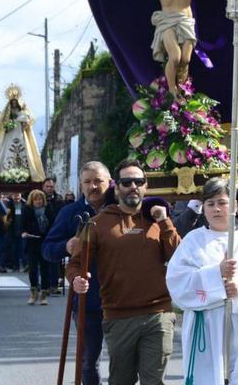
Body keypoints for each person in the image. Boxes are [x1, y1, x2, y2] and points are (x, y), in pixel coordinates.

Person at [69, 159, 181, 385]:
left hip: (158, 314)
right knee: (121, 381)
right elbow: (75, 264)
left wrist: (165, 221)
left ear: (145, 185)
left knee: (154, 381)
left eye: (138, 181)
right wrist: (76, 280)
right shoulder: (97, 224)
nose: (133, 187)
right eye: (127, 182)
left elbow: (178, 258)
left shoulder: (158, 219)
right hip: (119, 316)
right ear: (117, 187)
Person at [166, 178, 238, 384]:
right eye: (210, 204)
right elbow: (177, 282)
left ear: (233, 204)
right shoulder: (193, 241)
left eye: (222, 202)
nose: (216, 209)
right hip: (208, 327)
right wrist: (215, 274)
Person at [43, 161, 114, 385]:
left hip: (120, 298)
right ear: (81, 185)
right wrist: (66, 246)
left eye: (98, 181)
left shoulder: (121, 209)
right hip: (88, 299)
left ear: (109, 182)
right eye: (87, 182)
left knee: (123, 361)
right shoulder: (71, 212)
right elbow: (47, 249)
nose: (93, 186)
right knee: (88, 361)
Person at [0, 84, 45, 182]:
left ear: (18, 102)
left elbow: (27, 123)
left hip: (20, 134)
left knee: (24, 152)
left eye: (15, 102)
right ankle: (6, 172)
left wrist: (23, 119)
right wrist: (8, 125)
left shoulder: (22, 112)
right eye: (12, 102)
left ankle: (27, 173)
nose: (13, 104)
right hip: (10, 135)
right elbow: (3, 124)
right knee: (7, 152)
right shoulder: (7, 113)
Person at [22, 190, 53, 305]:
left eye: (40, 199)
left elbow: (53, 223)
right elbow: (23, 225)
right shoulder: (27, 209)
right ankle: (34, 291)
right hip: (32, 241)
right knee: (33, 269)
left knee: (45, 268)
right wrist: (24, 232)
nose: (38, 201)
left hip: (45, 241)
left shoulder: (48, 209)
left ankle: (44, 293)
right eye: (36, 199)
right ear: (32, 200)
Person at [42, 177, 66, 294]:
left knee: (55, 260)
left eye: (51, 186)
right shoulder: (39, 199)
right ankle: (45, 286)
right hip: (42, 233)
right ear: (43, 187)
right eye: (47, 186)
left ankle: (54, 285)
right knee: (44, 261)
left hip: (56, 232)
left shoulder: (59, 200)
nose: (50, 189)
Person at [5, 192, 27, 273]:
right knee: (14, 249)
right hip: (12, 230)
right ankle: (15, 266)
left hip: (22, 230)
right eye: (14, 195)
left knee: (23, 249)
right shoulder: (8, 204)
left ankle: (25, 265)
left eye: (18, 195)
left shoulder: (25, 203)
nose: (16, 197)